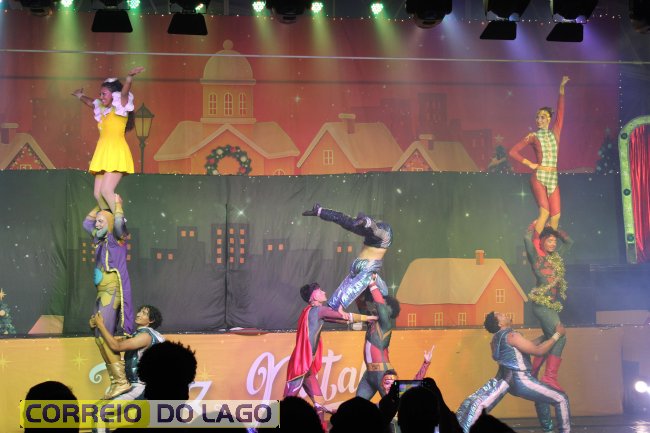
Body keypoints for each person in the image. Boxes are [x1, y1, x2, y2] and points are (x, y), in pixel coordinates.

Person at [456, 311, 570, 433]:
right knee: (561, 399)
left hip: (508, 380)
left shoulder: (497, 338)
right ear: (499, 324)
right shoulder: (511, 336)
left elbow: (528, 346)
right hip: (521, 380)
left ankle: (548, 431)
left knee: (542, 399)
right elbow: (538, 351)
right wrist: (557, 334)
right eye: (500, 315)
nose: (504, 314)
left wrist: (544, 337)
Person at [284, 282, 377, 423]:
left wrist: (364, 321)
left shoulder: (313, 311)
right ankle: (262, 428)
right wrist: (369, 318)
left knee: (319, 404)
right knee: (286, 404)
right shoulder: (317, 311)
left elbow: (340, 319)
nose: (324, 292)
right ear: (314, 296)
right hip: (300, 365)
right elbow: (343, 317)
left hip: (307, 366)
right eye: (320, 290)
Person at [72, 67, 144, 213]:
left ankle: (120, 220)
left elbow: (124, 92)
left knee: (106, 191)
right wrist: (80, 95)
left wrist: (129, 77)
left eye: (104, 94)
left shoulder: (121, 107)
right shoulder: (104, 110)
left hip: (116, 152)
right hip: (103, 154)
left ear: (114, 95)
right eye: (100, 94)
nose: (101, 96)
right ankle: (109, 218)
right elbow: (91, 103)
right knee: (97, 194)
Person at [83, 194, 134, 399]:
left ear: (110, 224)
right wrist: (101, 204)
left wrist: (117, 205)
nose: (97, 224)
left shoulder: (115, 239)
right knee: (98, 337)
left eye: (101, 221)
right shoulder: (100, 239)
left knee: (105, 336)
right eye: (98, 221)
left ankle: (121, 381)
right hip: (101, 293)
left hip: (112, 292)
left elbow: (119, 225)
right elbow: (86, 223)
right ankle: (116, 381)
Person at [509, 76, 570, 234]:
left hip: (553, 177)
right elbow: (513, 151)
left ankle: (547, 244)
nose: (538, 120)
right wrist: (529, 163)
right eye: (537, 117)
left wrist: (561, 89)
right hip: (540, 176)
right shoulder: (533, 136)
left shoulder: (555, 133)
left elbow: (561, 112)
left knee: (556, 217)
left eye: (542, 117)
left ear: (549, 119)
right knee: (545, 212)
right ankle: (536, 244)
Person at [302, 203, 392, 310]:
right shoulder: (371, 279)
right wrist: (339, 306)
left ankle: (320, 211)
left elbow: (349, 287)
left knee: (348, 223)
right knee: (352, 224)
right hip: (375, 249)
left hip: (365, 256)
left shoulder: (365, 276)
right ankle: (366, 221)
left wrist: (334, 306)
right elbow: (353, 287)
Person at [524, 221, 573, 391]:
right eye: (549, 241)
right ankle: (549, 377)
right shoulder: (537, 259)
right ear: (542, 242)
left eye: (554, 241)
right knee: (560, 336)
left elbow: (569, 242)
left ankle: (533, 372)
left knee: (548, 339)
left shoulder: (557, 258)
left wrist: (555, 228)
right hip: (541, 305)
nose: (553, 244)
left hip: (551, 305)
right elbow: (527, 238)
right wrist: (534, 225)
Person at [355, 280, 401, 400]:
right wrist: (360, 284)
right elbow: (360, 303)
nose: (376, 305)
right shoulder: (372, 321)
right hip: (369, 374)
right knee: (358, 405)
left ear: (389, 310)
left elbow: (380, 304)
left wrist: (372, 283)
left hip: (383, 374)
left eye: (382, 305)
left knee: (393, 407)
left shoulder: (386, 324)